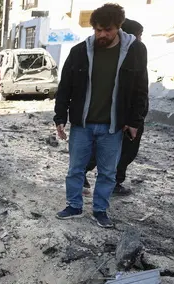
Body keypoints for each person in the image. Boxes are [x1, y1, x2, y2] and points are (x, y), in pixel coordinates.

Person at [54, 4, 148, 228]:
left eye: (107, 30)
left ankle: (100, 210)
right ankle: (74, 205)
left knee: (107, 172)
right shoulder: (79, 52)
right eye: (97, 30)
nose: (102, 35)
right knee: (75, 168)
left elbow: (140, 88)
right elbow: (65, 86)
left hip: (112, 126)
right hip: (82, 124)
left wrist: (135, 121)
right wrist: (60, 118)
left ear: (118, 27)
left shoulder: (134, 51)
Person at [84, 19, 147, 197]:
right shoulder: (134, 53)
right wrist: (134, 119)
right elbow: (139, 89)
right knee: (121, 151)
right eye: (139, 35)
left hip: (122, 115)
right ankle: (113, 182)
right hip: (122, 116)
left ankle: (89, 175)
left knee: (103, 149)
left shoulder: (127, 52)